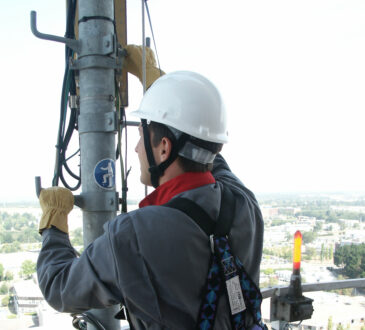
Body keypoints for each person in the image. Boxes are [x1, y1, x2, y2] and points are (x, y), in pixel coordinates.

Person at [37, 45, 265, 329]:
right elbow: (207, 152)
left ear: (164, 148)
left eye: (142, 136)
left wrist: (53, 223)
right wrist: (161, 89)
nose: (135, 148)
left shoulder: (133, 235)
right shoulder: (244, 203)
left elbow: (60, 287)